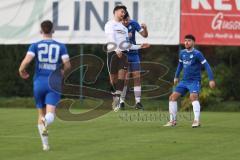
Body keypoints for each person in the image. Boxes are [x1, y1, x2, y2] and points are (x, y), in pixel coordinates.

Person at [19, 20, 71, 150]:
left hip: (39, 83)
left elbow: (27, 61)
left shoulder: (35, 45)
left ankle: (45, 145)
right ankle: (46, 121)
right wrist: (63, 72)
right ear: (53, 30)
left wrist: (21, 70)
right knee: (50, 115)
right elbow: (68, 64)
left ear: (41, 31)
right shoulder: (61, 46)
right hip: (53, 82)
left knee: (40, 114)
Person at [104, 5, 150, 112]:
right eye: (122, 12)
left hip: (125, 54)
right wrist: (116, 49)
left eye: (124, 13)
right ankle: (117, 99)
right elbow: (110, 37)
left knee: (123, 79)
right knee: (113, 79)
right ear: (115, 12)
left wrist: (140, 46)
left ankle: (120, 102)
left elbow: (127, 44)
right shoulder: (110, 24)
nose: (123, 14)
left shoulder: (125, 28)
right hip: (113, 53)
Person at [164, 34, 215, 128]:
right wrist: (176, 76)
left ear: (193, 42)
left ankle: (196, 121)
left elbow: (206, 65)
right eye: (185, 40)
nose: (186, 42)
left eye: (189, 40)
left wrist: (211, 79)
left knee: (193, 97)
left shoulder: (197, 54)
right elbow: (180, 65)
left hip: (194, 81)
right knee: (172, 97)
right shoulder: (182, 53)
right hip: (184, 81)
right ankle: (172, 121)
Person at [120, 11, 148, 110]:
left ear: (130, 18)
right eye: (123, 20)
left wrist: (145, 28)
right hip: (124, 54)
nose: (125, 22)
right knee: (126, 78)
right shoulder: (118, 27)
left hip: (134, 54)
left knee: (137, 77)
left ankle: (138, 102)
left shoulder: (134, 23)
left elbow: (144, 35)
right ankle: (121, 101)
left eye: (127, 20)